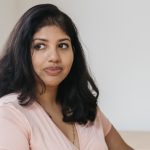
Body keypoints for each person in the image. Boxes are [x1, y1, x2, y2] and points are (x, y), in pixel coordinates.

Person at [0, 3, 133, 150]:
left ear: (74, 52)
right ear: (22, 53)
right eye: (40, 46)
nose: (54, 57)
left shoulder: (85, 107)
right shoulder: (9, 113)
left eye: (62, 45)